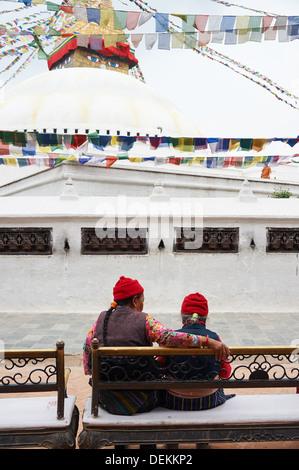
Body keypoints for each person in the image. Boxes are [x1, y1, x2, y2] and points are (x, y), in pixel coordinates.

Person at [83, 276, 230, 415]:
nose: (142, 303)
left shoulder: (101, 319)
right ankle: (148, 443)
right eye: (142, 300)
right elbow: (169, 337)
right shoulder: (144, 321)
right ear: (135, 300)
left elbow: (87, 346)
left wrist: (88, 370)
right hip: (141, 399)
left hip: (107, 397)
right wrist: (206, 341)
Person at [160, 292, 235, 411]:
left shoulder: (172, 338)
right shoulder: (214, 339)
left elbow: (160, 368)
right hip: (208, 400)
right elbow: (225, 373)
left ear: (182, 317)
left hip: (175, 401)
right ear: (205, 318)